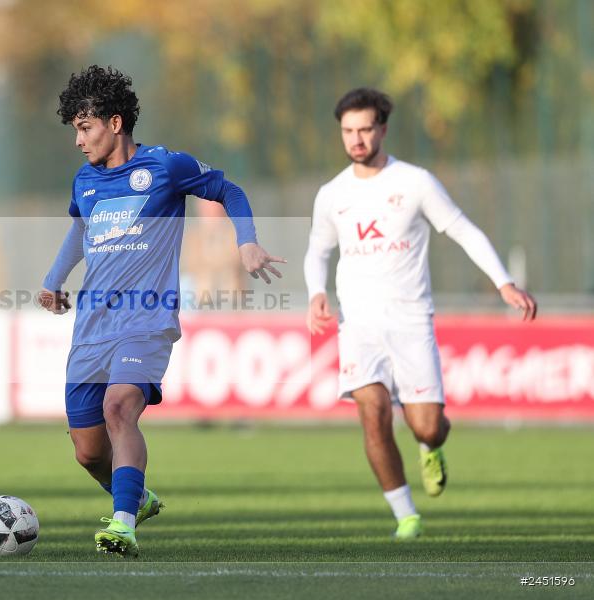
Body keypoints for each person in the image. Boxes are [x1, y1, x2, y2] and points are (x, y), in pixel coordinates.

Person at [40, 65, 285, 557]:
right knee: (88, 451)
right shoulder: (85, 181)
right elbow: (78, 230)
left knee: (118, 409)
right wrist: (53, 280)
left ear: (114, 123)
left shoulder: (165, 167)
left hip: (146, 320)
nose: (78, 141)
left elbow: (228, 190)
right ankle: (137, 497)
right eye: (74, 131)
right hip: (92, 326)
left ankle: (123, 524)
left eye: (84, 129)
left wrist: (247, 242)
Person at [303, 88, 537, 540]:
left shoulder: (414, 182)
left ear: (383, 129)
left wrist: (503, 281)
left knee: (426, 424)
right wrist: (316, 292)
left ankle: (431, 446)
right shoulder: (332, 194)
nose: (356, 139)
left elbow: (462, 230)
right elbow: (317, 250)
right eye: (348, 131)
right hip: (359, 326)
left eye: (365, 129)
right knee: (372, 414)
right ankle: (405, 514)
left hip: (410, 321)